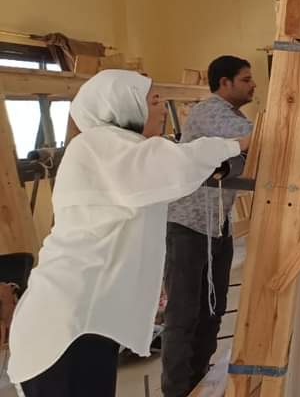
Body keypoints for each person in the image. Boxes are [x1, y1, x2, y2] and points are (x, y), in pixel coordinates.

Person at [8, 70, 247, 397]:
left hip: (88, 318)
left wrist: (222, 158)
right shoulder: (98, 146)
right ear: (124, 107)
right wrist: (238, 144)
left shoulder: (118, 149)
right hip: (67, 322)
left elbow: (170, 164)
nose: (162, 109)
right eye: (153, 101)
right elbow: (175, 163)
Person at [162, 56, 255, 397]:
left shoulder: (233, 117)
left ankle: (197, 383)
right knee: (183, 315)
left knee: (213, 311)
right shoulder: (210, 112)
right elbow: (260, 138)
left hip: (216, 226)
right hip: (189, 226)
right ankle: (177, 391)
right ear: (224, 83)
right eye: (245, 79)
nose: (253, 85)